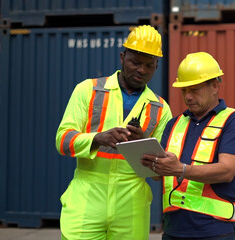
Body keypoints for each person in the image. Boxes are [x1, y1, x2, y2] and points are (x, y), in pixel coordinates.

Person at [55, 25, 172, 240]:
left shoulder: (160, 108)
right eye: (135, 62)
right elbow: (62, 141)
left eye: (149, 65)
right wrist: (98, 138)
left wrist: (145, 144)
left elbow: (160, 174)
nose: (142, 70)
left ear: (157, 66)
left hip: (132, 205)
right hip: (87, 199)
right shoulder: (87, 90)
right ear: (122, 57)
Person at [141, 52, 235, 239]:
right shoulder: (174, 124)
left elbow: (227, 171)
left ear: (214, 86)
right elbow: (160, 176)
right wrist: (148, 160)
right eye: (184, 90)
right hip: (173, 230)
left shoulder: (234, 121)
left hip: (215, 231)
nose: (188, 97)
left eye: (194, 89)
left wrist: (180, 169)